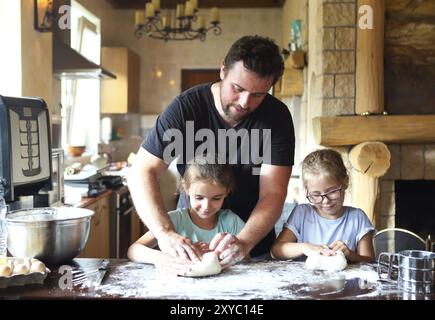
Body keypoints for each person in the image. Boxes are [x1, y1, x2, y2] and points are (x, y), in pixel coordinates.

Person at [128, 35, 295, 267]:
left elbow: (273, 193)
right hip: (191, 243)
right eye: (238, 88)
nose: (245, 102)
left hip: (253, 247)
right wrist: (165, 233)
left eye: (258, 94)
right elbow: (142, 171)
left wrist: (244, 242)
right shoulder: (186, 109)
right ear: (223, 70)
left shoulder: (276, 117)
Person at [127, 157, 245, 275]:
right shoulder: (173, 220)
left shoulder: (231, 221)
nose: (206, 206)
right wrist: (159, 258)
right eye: (199, 197)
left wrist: (222, 254)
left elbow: (246, 257)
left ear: (227, 192)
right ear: (186, 188)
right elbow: (133, 250)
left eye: (216, 198)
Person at [271, 149, 375, 263]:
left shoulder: (357, 218)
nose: (325, 201)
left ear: (345, 182)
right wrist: (305, 247)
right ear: (307, 191)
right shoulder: (302, 213)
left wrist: (350, 255)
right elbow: (276, 251)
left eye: (332, 191)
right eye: (316, 194)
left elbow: (369, 262)